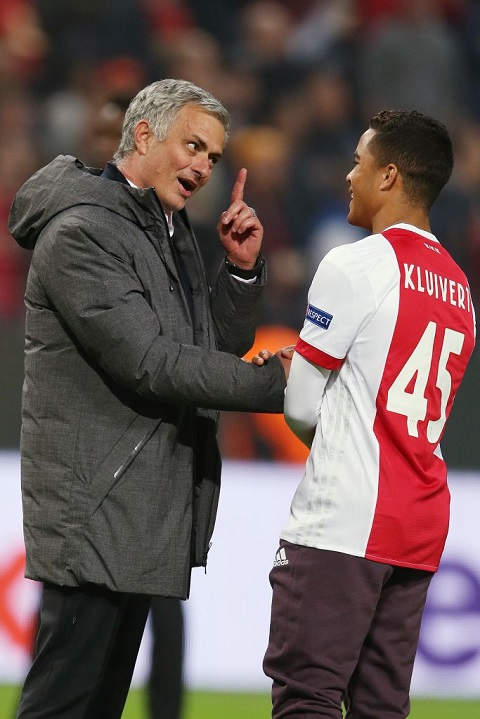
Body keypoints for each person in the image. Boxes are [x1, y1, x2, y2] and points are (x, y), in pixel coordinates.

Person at [8, 77, 288, 719]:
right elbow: (152, 363)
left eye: (213, 156)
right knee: (64, 704)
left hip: (138, 506)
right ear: (142, 135)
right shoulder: (82, 231)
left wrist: (239, 271)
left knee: (97, 704)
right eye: (193, 146)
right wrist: (278, 386)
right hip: (94, 508)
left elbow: (207, 350)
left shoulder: (165, 227)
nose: (204, 167)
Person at [259, 109, 476, 718]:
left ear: (389, 176)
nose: (349, 176)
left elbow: (302, 405)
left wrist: (333, 434)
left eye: (358, 163)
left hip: (346, 518)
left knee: (307, 695)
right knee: (381, 706)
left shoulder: (354, 263)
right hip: (420, 521)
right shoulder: (460, 288)